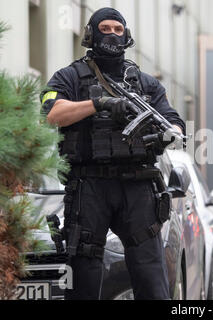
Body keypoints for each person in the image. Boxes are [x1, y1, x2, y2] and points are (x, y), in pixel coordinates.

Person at [40, 7, 185, 300]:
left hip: (138, 187)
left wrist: (171, 132)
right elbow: (51, 114)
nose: (112, 35)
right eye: (105, 29)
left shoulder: (145, 83)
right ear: (91, 34)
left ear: (127, 36)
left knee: (151, 278)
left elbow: (173, 120)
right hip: (89, 187)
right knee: (84, 277)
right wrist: (99, 104)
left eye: (118, 30)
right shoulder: (68, 77)